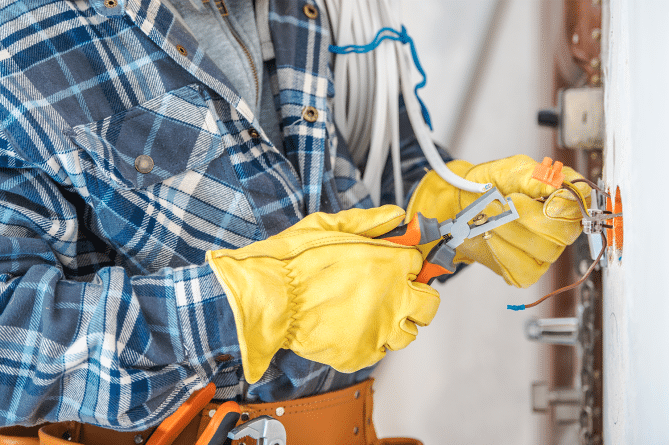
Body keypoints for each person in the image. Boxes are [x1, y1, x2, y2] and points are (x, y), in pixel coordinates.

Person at [0, 0, 589, 442]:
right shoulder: (19, 38)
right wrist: (254, 305)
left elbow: (364, 164)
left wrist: (447, 211)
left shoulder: (309, 8)